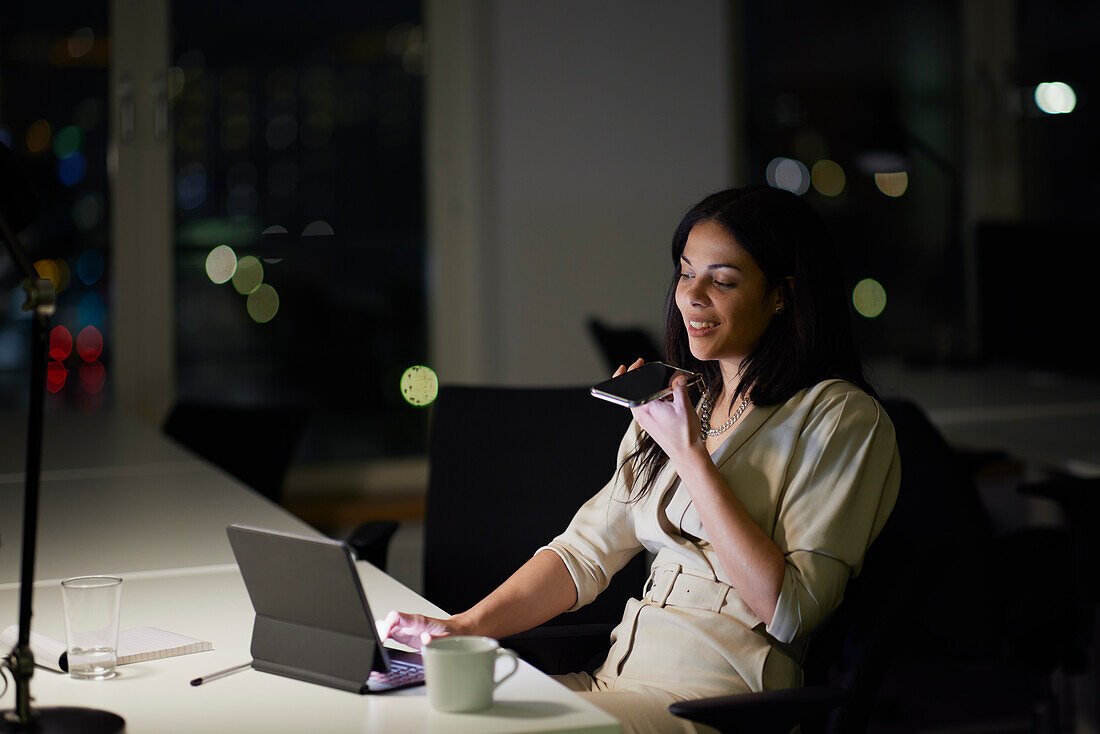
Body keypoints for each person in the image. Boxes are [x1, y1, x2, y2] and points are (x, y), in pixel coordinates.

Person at [379, 186, 901, 734]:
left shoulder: (841, 417)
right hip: (615, 681)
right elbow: (585, 553)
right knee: (419, 714)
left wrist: (691, 456)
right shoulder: (681, 401)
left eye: (722, 280)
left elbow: (792, 611)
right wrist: (464, 628)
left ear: (782, 295)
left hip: (719, 701)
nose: (692, 296)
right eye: (685, 273)